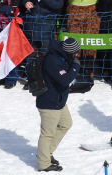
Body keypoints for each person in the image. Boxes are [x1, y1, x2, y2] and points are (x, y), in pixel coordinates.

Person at [36, 38, 80, 172]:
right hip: (49, 102)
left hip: (58, 100)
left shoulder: (60, 55)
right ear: (69, 53)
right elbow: (65, 79)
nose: (76, 56)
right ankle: (43, 163)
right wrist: (74, 66)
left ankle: (47, 152)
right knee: (47, 133)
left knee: (66, 123)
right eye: (75, 54)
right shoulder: (53, 61)